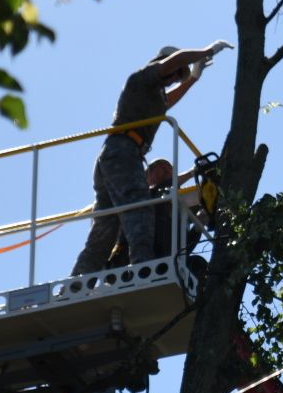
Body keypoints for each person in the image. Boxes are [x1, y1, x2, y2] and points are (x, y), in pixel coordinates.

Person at [71, 41, 232, 275]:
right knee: (141, 210)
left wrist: (193, 78)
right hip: (124, 151)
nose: (175, 79)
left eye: (178, 77)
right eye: (175, 74)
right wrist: (206, 51)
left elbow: (169, 101)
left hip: (117, 154)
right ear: (161, 62)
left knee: (105, 229)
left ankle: (77, 283)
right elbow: (175, 62)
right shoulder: (142, 79)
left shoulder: (154, 97)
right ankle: (143, 271)